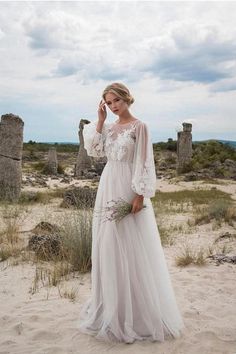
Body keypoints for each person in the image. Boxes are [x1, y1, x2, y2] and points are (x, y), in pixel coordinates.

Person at [78, 82, 185, 344]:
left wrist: (140, 194)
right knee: (108, 244)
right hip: (108, 184)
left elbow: (145, 161)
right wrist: (101, 121)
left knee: (131, 244)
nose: (113, 106)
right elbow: (94, 151)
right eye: (109, 102)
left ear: (127, 99)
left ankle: (137, 311)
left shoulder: (140, 127)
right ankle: (113, 305)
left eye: (116, 101)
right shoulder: (110, 127)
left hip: (128, 187)